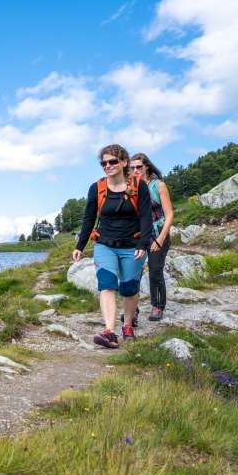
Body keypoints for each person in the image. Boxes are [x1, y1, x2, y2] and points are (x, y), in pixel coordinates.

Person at [72, 144, 152, 348]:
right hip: (105, 244)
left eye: (112, 161)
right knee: (107, 285)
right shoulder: (97, 188)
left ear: (124, 162)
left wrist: (143, 243)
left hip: (132, 245)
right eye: (104, 162)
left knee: (129, 287)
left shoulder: (138, 185)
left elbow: (145, 216)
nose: (108, 165)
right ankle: (109, 330)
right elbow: (88, 219)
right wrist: (80, 246)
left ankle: (127, 325)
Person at [129, 153, 175, 322]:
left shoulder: (158, 186)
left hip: (157, 234)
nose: (136, 171)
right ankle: (132, 310)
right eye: (132, 168)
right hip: (138, 236)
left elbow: (169, 214)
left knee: (155, 271)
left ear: (146, 166)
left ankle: (157, 307)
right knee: (133, 272)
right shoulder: (130, 188)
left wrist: (162, 238)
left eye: (139, 167)